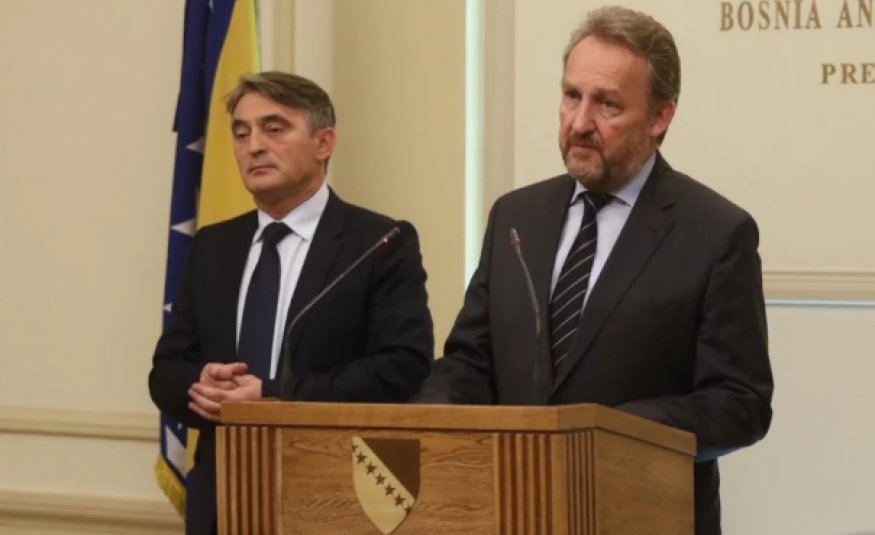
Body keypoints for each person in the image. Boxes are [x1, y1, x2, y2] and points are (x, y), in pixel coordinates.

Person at [412, 6, 773, 535]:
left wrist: (613, 435)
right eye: (571, 96)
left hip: (640, 513)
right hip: (509, 508)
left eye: (607, 104)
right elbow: (471, 359)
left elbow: (740, 403)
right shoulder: (516, 216)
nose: (580, 123)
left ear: (660, 117)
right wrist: (429, 419)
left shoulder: (715, 232)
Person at [148, 71, 434, 535]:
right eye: (242, 133)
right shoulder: (214, 246)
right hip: (222, 499)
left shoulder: (379, 242)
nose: (254, 146)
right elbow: (166, 370)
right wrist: (202, 385)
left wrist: (273, 395)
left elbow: (403, 368)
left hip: (334, 497)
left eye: (274, 129)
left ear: (324, 143)